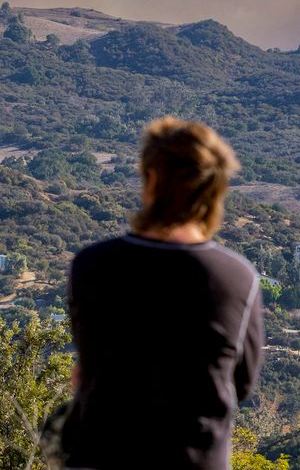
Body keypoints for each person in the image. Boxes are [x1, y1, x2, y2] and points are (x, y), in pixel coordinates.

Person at [64, 117, 263, 469]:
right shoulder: (237, 278)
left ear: (152, 179)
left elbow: (87, 368)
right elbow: (241, 384)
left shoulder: (92, 265)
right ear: (214, 189)